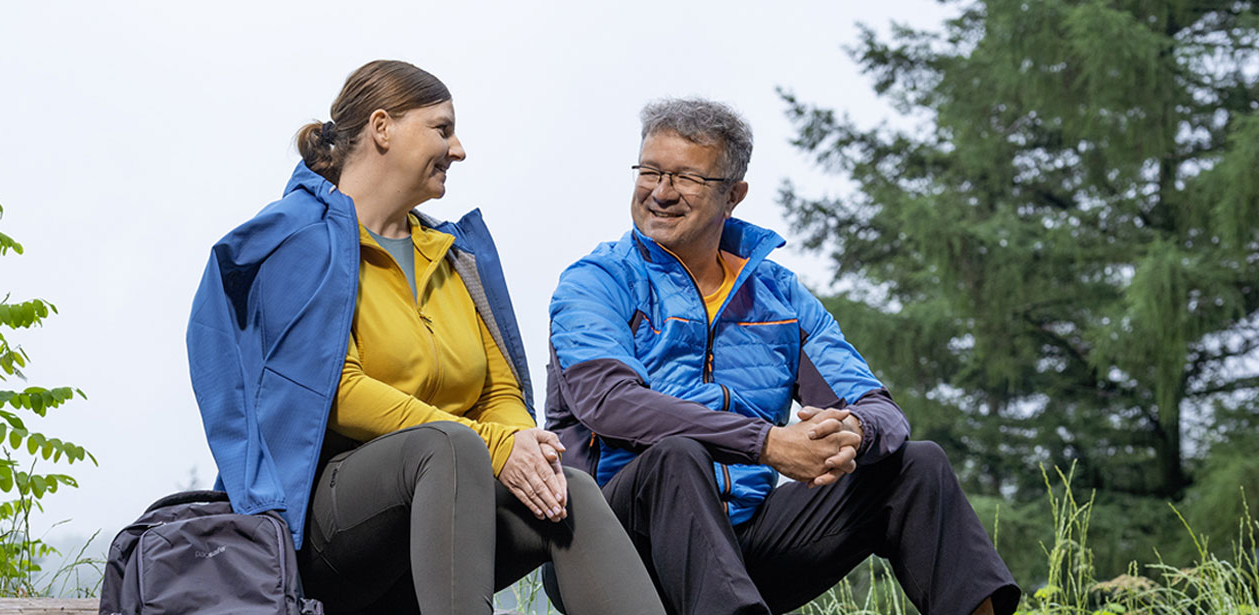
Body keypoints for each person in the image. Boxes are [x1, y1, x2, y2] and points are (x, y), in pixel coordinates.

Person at [187, 60, 664, 615]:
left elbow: (499, 391)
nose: (458, 149)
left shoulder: (452, 253)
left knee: (570, 491)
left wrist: (521, 446)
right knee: (450, 445)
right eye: (442, 128)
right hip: (322, 526)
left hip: (447, 501)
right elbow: (333, 390)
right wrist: (490, 443)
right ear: (382, 127)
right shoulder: (299, 240)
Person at [545, 98, 1021, 615]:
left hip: (742, 544)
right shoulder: (596, 281)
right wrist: (767, 443)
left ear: (733, 194)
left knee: (915, 465)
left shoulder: (779, 296)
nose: (661, 192)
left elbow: (880, 408)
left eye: (686, 178)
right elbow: (611, 404)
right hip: (611, 544)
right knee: (676, 457)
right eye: (650, 171)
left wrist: (852, 432)